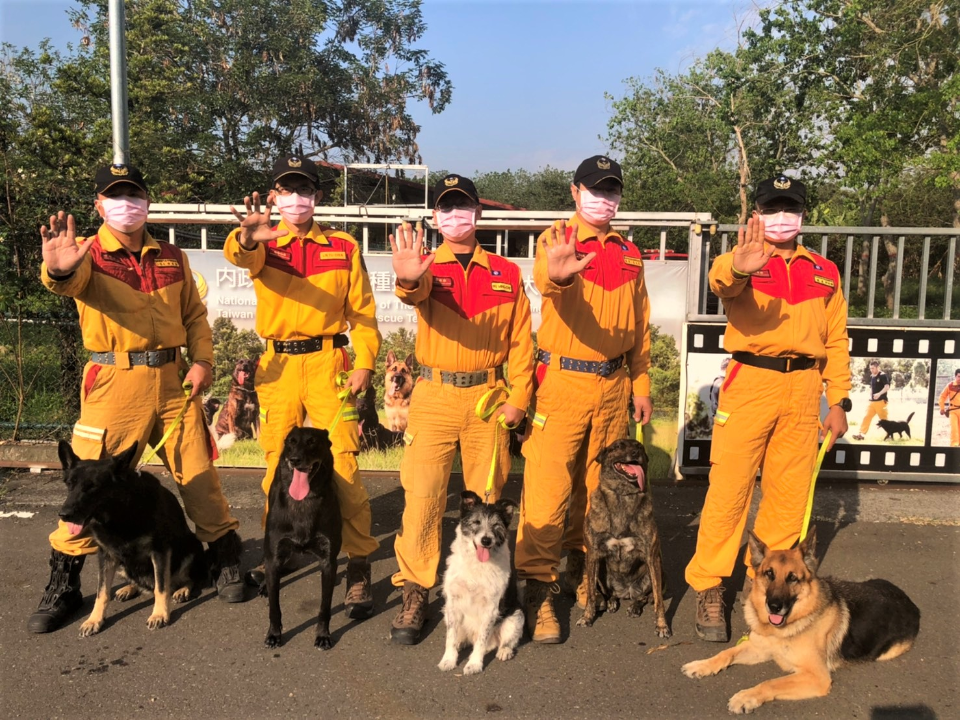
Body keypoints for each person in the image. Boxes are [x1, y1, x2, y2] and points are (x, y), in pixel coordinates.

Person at [30, 163, 245, 634]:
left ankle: (225, 560)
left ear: (147, 200)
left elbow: (195, 316)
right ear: (99, 206)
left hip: (173, 382)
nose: (126, 204)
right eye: (114, 195)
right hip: (113, 383)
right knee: (86, 485)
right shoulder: (85, 255)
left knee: (199, 476)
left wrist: (203, 362)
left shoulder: (171, 256)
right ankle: (64, 585)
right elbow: (65, 280)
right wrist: (56, 269)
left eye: (134, 194)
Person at [684, 175, 851, 643]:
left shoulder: (824, 271)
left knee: (788, 498)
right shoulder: (738, 258)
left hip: (803, 388)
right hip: (750, 382)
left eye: (790, 207)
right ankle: (710, 585)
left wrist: (837, 398)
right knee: (729, 492)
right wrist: (740, 266)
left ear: (802, 214)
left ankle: (771, 589)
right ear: (756, 213)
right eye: (772, 208)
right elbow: (721, 282)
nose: (782, 217)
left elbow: (837, 339)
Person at [224, 155, 381, 619]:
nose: (297, 200)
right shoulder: (261, 243)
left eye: (305, 190)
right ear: (274, 197)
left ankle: (357, 563)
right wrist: (246, 236)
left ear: (317, 196)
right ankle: (281, 550)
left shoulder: (343, 247)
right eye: (287, 191)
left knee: (345, 470)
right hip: (277, 368)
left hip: (329, 362)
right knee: (277, 467)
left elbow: (365, 315)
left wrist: (366, 363)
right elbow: (241, 253)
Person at [387, 174, 534, 644]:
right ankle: (415, 590)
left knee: (487, 501)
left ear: (478, 214)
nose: (455, 215)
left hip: (487, 400)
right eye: (446, 208)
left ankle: (489, 593)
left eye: (463, 206)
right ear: (435, 217)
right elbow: (411, 290)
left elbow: (520, 343)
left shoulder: (506, 273)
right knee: (423, 498)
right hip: (433, 397)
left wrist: (519, 398)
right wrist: (409, 277)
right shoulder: (427, 266)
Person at [515, 155, 653, 644]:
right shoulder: (556, 239)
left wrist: (641, 385)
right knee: (549, 490)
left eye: (612, 190)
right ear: (575, 192)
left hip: (614, 387)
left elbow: (640, 330)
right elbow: (545, 280)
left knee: (601, 491)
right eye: (595, 189)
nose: (604, 198)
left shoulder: (631, 254)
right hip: (565, 382)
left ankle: (582, 573)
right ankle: (538, 590)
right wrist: (559, 275)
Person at [852, 360, 889, 440]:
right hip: (872, 403)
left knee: (884, 420)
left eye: (873, 368)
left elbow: (887, 387)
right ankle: (861, 434)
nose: (871, 370)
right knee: (866, 417)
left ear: (877, 367)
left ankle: (889, 435)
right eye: (870, 368)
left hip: (881, 402)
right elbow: (872, 387)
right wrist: (871, 395)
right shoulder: (872, 376)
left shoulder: (883, 375)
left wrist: (879, 394)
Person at [939, 369, 960, 447]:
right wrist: (942, 408)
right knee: (954, 430)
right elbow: (942, 396)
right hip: (953, 411)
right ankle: (954, 447)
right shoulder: (950, 386)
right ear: (955, 376)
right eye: (959, 376)